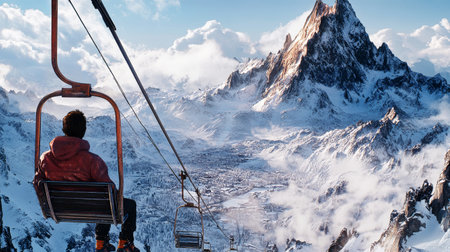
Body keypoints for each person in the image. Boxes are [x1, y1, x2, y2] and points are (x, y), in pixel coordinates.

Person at [33, 110, 140, 252]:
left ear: (64, 129)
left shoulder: (45, 158)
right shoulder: (92, 160)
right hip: (91, 207)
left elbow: (37, 183)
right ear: (83, 131)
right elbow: (109, 189)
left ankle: (102, 245)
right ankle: (123, 243)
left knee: (103, 201)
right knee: (118, 203)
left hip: (59, 208)